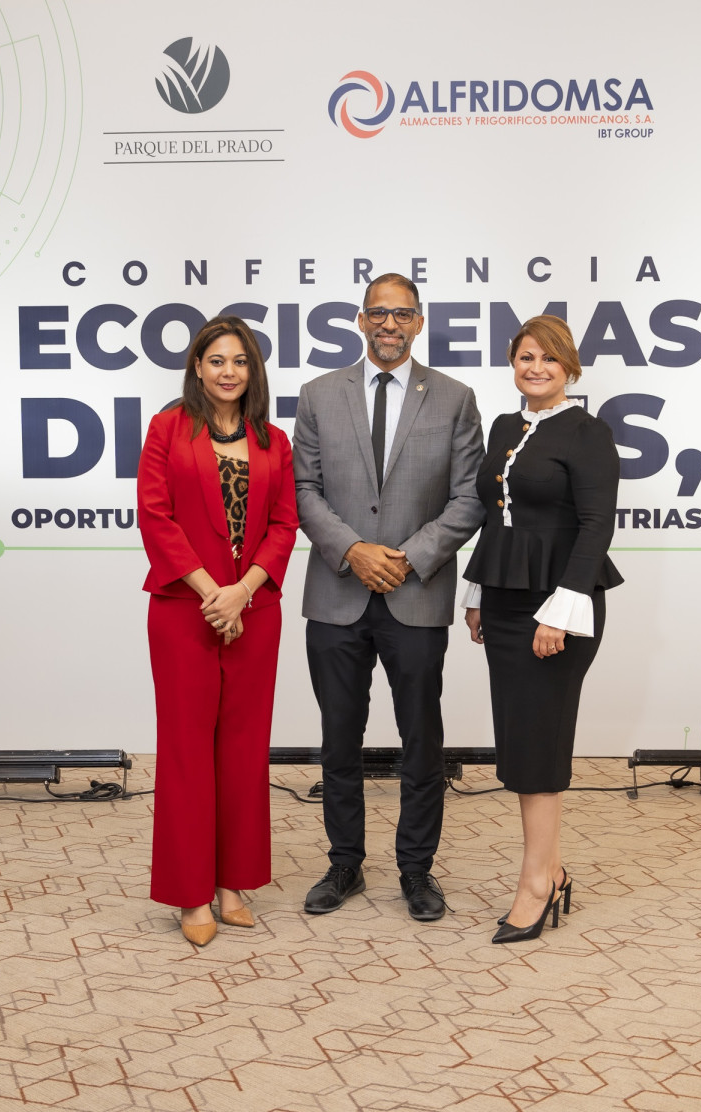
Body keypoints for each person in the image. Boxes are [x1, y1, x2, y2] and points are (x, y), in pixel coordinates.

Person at [293, 272, 484, 921]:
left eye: (402, 313)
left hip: (415, 592)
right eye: (378, 312)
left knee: (421, 739)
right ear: (359, 319)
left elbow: (471, 496)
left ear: (419, 322)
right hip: (337, 595)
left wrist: (409, 556)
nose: (389, 324)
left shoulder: (455, 398)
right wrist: (353, 550)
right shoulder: (319, 395)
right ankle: (344, 863)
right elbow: (304, 489)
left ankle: (416, 870)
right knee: (338, 739)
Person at [138, 315, 298, 946]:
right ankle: (189, 894)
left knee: (242, 748)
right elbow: (156, 517)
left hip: (254, 612)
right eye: (216, 361)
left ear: (252, 371)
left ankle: (233, 883)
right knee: (185, 751)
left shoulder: (273, 441)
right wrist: (213, 594)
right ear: (197, 368)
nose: (228, 372)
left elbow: (284, 526)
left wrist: (243, 592)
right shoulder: (167, 429)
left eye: (240, 362)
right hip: (186, 611)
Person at [463, 315, 622, 944]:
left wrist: (558, 610)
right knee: (520, 740)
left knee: (539, 742)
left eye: (548, 359)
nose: (536, 368)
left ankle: (535, 884)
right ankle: (550, 871)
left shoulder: (588, 432)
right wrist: (478, 591)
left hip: (559, 607)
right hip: (502, 601)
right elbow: (493, 517)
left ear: (569, 366)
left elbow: (596, 526)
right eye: (525, 356)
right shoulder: (506, 426)